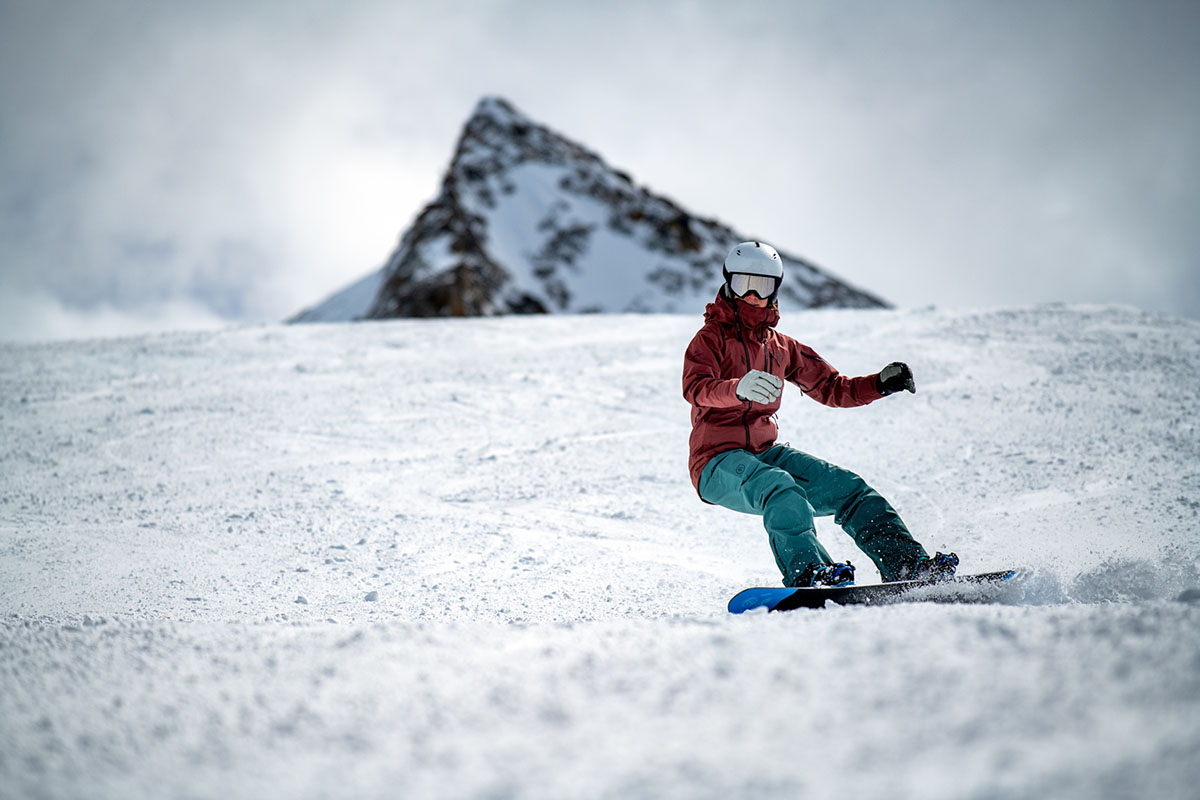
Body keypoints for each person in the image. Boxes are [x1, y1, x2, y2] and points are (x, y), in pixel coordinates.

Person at [682, 241, 959, 588]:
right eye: (743, 284)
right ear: (728, 284)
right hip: (715, 463)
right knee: (780, 487)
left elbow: (833, 388)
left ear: (775, 291)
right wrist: (736, 388)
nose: (753, 295)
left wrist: (880, 384)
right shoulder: (709, 340)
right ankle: (810, 572)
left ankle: (905, 565)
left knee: (851, 490)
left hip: (764, 454)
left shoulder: (782, 347)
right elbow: (696, 387)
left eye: (763, 286)